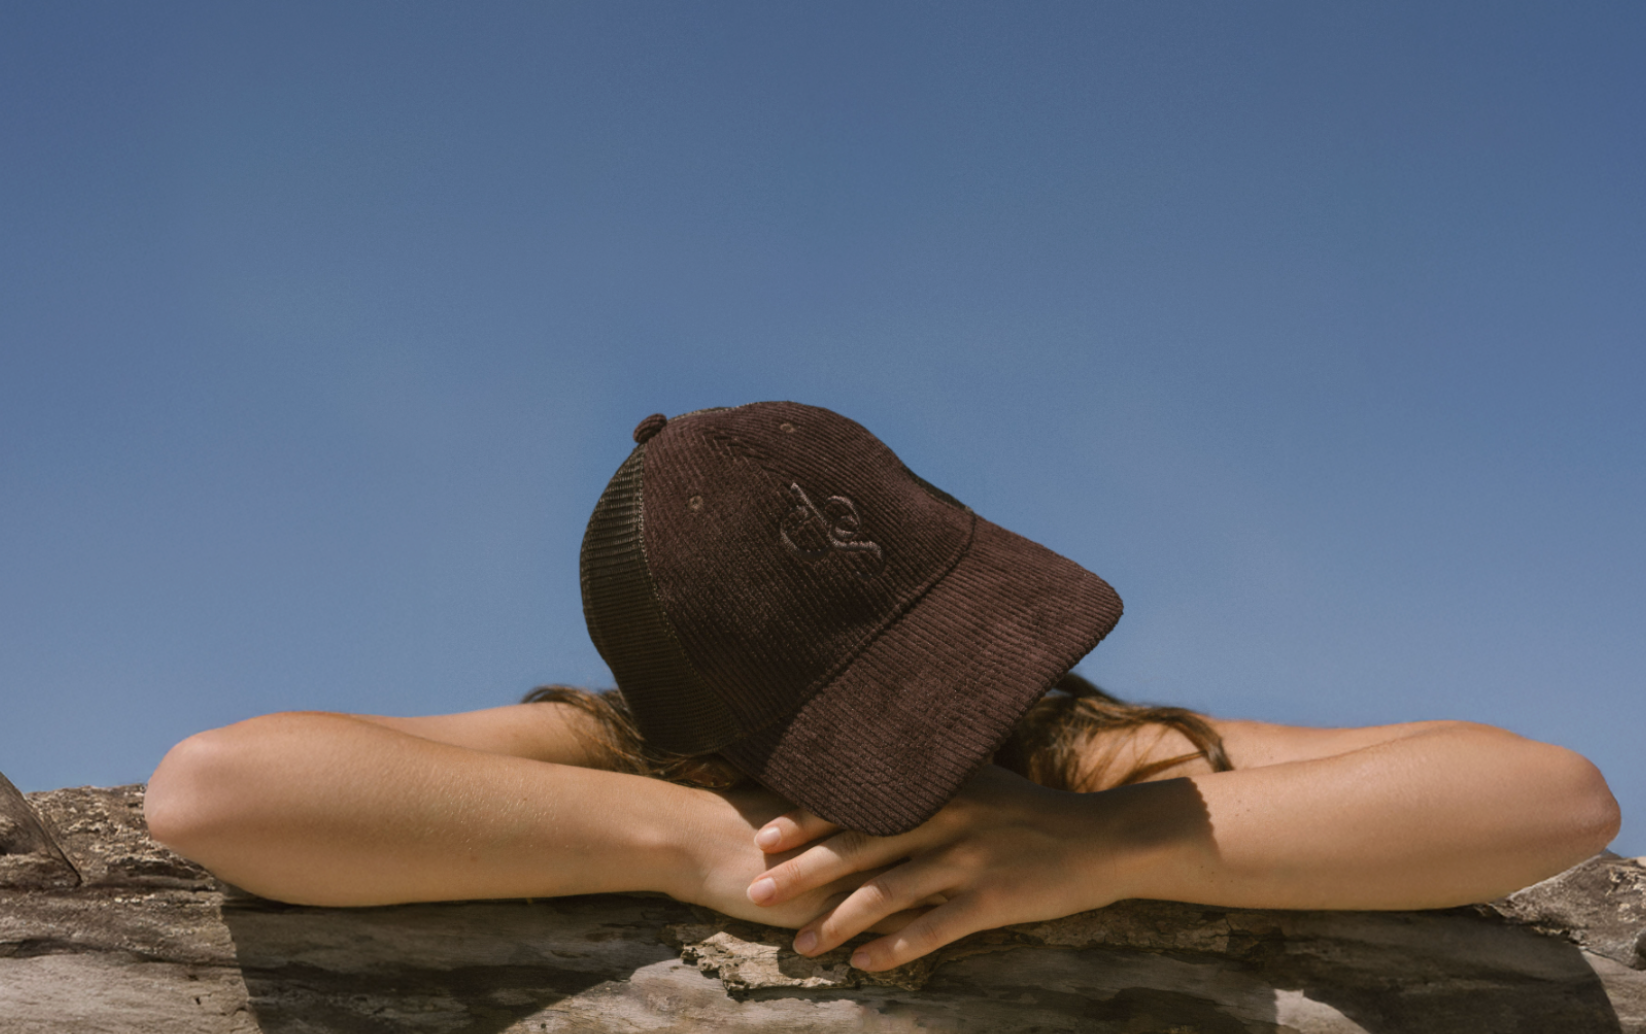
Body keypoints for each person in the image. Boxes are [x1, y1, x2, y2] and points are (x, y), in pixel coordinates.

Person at [145, 403, 1621, 973]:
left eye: (972, 657)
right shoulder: (635, 752)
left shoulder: (1071, 751)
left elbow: (1548, 795)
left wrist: (1105, 844)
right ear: (711, 728)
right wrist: (688, 842)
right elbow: (220, 789)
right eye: (898, 706)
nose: (971, 722)